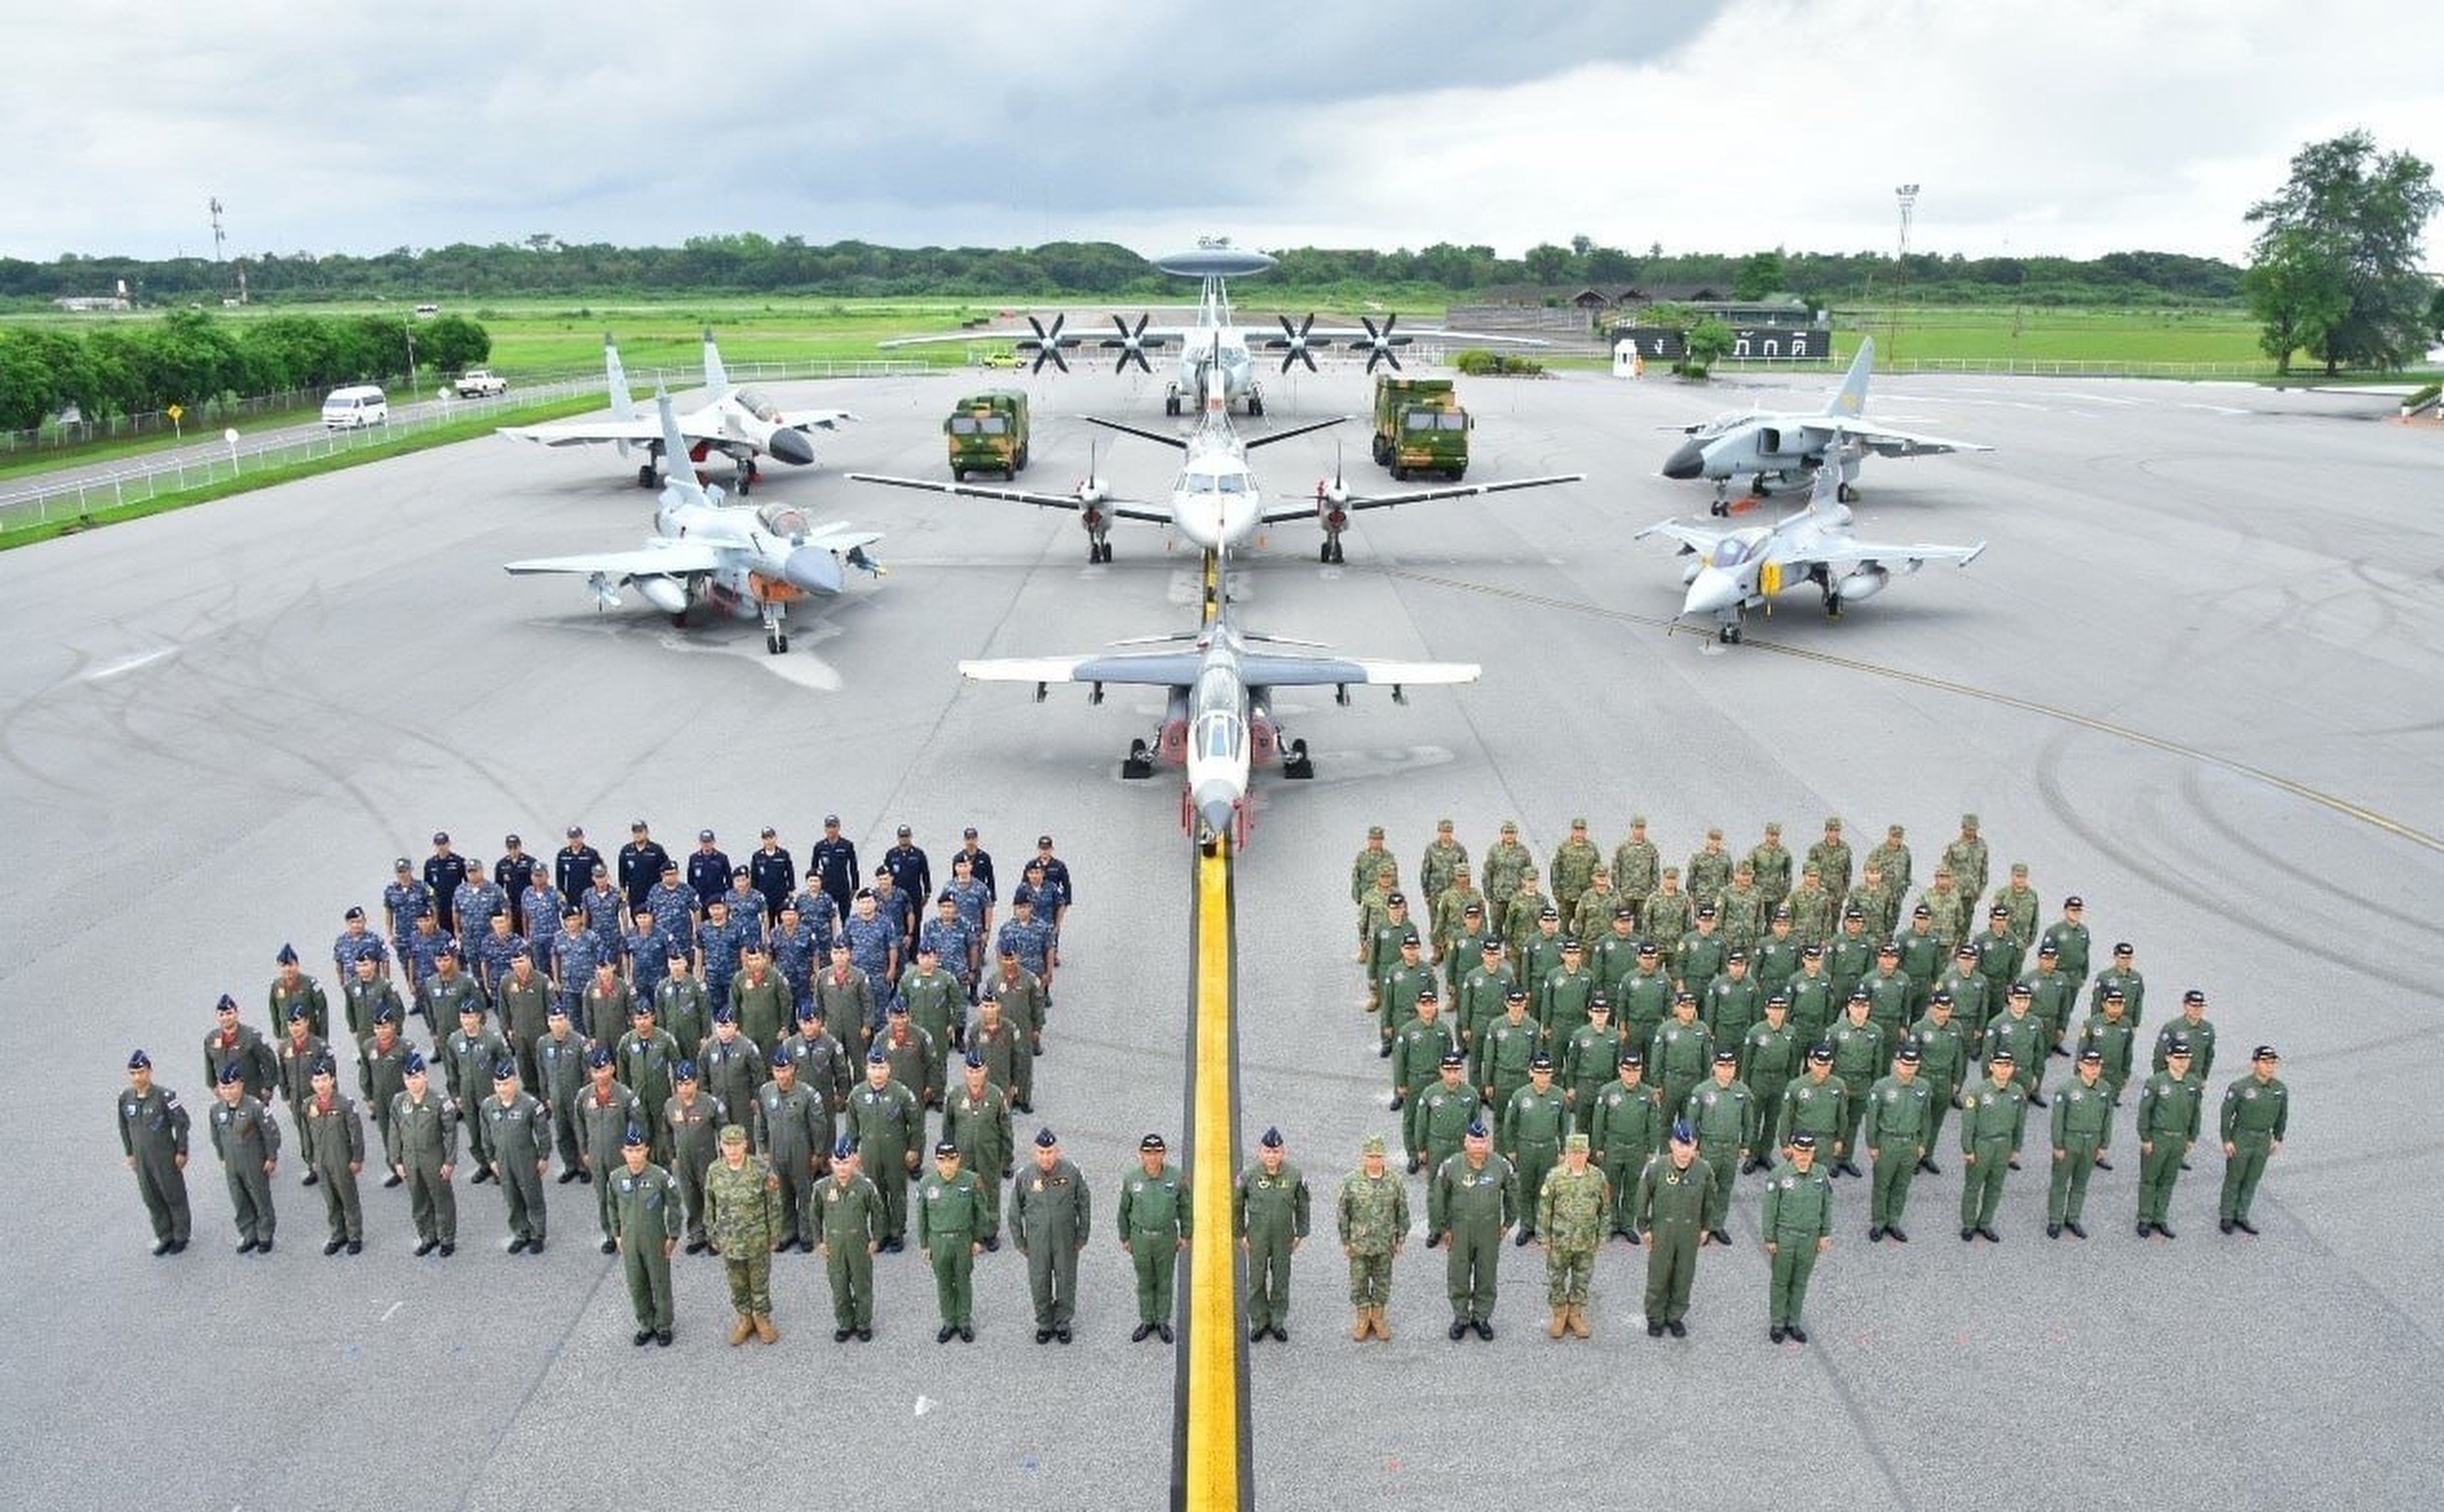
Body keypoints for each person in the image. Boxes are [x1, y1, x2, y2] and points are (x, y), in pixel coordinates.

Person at [1430, 1121, 1517, 1341]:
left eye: (1482, 1142)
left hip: (1489, 1229)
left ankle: (1481, 1317)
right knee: (1459, 1274)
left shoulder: (1501, 1166)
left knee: (1486, 1274)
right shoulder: (1451, 1166)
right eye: (1474, 1142)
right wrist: (1443, 1228)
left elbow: (1513, 1195)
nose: (1478, 1146)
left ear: (1488, 1143)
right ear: (1465, 1143)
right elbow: (1438, 1198)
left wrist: (1508, 1224)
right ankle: (1461, 1317)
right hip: (1460, 1229)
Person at [1632, 1121, 1714, 1338]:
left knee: (1683, 1275)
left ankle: (1675, 1316)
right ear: (1671, 1144)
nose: (1684, 1150)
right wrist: (1644, 1227)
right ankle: (1656, 1317)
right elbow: (1643, 1197)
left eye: (1689, 1145)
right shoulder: (1657, 1167)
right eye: (1680, 1144)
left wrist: (1706, 1228)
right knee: (1659, 1275)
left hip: (1689, 1231)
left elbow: (1709, 1201)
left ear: (1695, 1146)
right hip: (1663, 1229)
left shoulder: (1703, 1170)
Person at [703, 1125, 782, 1344]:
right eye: (728, 1145)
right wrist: (712, 1234)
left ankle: (762, 1318)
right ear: (721, 1146)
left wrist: (774, 1234)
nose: (733, 1149)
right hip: (729, 1239)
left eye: (737, 1144)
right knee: (737, 1282)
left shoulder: (761, 1169)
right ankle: (745, 1319)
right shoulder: (714, 1170)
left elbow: (773, 1204)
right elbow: (710, 1204)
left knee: (759, 1280)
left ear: (746, 1144)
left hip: (757, 1237)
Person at [1012, 1127, 1091, 1344]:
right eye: (1041, 1153)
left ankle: (1063, 1323)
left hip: (1066, 1239)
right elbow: (1014, 1211)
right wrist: (1020, 1241)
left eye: (1050, 1152)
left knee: (1066, 1280)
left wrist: (1083, 1235)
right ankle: (1045, 1323)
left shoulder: (1072, 1172)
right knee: (1039, 1281)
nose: (1046, 1158)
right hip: (1037, 1241)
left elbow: (1084, 1203)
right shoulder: (1025, 1176)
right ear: (1034, 1154)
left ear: (1058, 1152)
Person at [1234, 1126, 1309, 1343]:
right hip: (1257, 1236)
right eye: (1267, 1151)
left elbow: (1303, 1206)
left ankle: (1277, 1321)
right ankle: (1259, 1321)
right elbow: (1237, 1206)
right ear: (1260, 1152)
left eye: (1276, 1152)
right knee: (1256, 1280)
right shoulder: (1248, 1176)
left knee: (1281, 1280)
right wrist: (1240, 1234)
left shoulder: (1295, 1175)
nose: (1271, 1156)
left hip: (1283, 1237)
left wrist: (1300, 1233)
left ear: (1283, 1153)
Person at [610, 1124, 681, 1347]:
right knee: (636, 1283)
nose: (635, 1155)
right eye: (630, 1151)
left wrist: (673, 1235)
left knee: (660, 1282)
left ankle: (663, 1325)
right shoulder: (616, 1177)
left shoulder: (660, 1176)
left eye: (639, 1150)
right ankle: (645, 1324)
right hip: (629, 1240)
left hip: (655, 1238)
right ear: (624, 1152)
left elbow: (675, 1205)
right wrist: (616, 1234)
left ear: (646, 1151)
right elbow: (610, 1206)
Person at [1761, 1132, 1835, 1344]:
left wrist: (1825, 1234)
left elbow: (1827, 1206)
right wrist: (1770, 1238)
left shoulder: (1821, 1174)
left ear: (1813, 1152)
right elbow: (1769, 1209)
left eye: (1808, 1152)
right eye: (1800, 1151)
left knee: (1800, 1281)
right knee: (1781, 1281)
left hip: (1810, 1238)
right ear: (1792, 1150)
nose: (1804, 1156)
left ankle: (1793, 1321)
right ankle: (1777, 1323)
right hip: (1786, 1237)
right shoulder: (1779, 1175)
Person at [1118, 1133, 1190, 1344]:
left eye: (1157, 1152)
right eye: (1148, 1153)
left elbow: (1186, 1207)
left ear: (1164, 1154)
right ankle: (1147, 1320)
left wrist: (1187, 1235)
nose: (1152, 1157)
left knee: (1165, 1280)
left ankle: (1162, 1321)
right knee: (1145, 1281)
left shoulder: (1176, 1177)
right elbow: (1123, 1211)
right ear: (1141, 1155)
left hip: (1166, 1238)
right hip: (1140, 1238)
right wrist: (1125, 1237)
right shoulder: (1132, 1179)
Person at [1337, 1134, 1409, 1343]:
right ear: (1363, 1157)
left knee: (1382, 1282)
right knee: (1359, 1282)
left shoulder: (1394, 1181)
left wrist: (1401, 1238)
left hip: (1385, 1244)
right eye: (1370, 1156)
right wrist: (1346, 1241)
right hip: (1359, 1244)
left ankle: (1378, 1318)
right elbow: (1343, 1213)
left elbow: (1402, 1211)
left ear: (1384, 1158)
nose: (1375, 1161)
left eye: (1378, 1156)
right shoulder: (1351, 1182)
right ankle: (1362, 1318)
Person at [1537, 1133, 1609, 1340]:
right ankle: (1560, 1314)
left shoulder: (1598, 1177)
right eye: (1573, 1152)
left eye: (1581, 1152)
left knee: (1582, 1278)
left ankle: (1576, 1314)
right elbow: (1545, 1209)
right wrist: (1544, 1237)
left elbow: (1605, 1209)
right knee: (1556, 1278)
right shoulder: (1555, 1176)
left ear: (1588, 1153)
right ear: (1566, 1154)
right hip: (1560, 1240)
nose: (1577, 1156)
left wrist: (1602, 1235)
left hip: (1586, 1240)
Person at [119, 1050, 192, 1255]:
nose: (137, 1077)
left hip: (164, 1156)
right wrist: (130, 1153)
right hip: (142, 1160)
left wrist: (182, 1150)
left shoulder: (164, 1096)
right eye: (133, 1073)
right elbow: (124, 1127)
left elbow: (182, 1122)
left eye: (141, 1072)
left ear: (150, 1072)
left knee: (173, 1195)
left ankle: (181, 1235)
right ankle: (165, 1235)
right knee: (151, 1197)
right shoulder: (126, 1098)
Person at [205, 1059, 280, 1253]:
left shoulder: (255, 1106)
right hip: (231, 1162)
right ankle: (249, 1234)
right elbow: (216, 1136)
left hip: (253, 1160)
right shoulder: (216, 1110)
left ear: (241, 1085)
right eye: (224, 1088)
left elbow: (271, 1132)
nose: (228, 1092)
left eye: (231, 1087)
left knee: (259, 1197)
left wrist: (271, 1157)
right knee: (239, 1199)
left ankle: (265, 1234)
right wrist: (222, 1157)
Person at [817, 1136, 887, 1343]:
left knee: (862, 1284)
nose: (842, 1168)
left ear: (855, 1161)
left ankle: (863, 1323)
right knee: (839, 1286)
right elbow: (813, 1215)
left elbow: (878, 1212)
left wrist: (876, 1238)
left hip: (859, 1243)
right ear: (831, 1163)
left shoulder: (866, 1186)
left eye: (846, 1162)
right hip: (835, 1244)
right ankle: (845, 1324)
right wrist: (818, 1241)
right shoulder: (821, 1188)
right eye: (837, 1163)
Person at [1862, 1042, 1933, 1242]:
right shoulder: (1882, 1087)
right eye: (1904, 1063)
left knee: (1902, 1185)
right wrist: (1873, 1145)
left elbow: (1926, 1119)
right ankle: (1878, 1222)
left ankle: (1893, 1221)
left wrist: (1922, 1144)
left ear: (1918, 1065)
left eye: (1912, 1064)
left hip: (1910, 1143)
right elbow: (1872, 1119)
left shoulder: (1923, 1087)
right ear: (1896, 1063)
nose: (1908, 1068)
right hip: (1888, 1142)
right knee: (1882, 1185)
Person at [915, 1140, 986, 1342]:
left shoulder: (971, 1180)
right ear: (936, 1162)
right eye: (942, 1160)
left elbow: (980, 1211)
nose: (947, 1165)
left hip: (963, 1239)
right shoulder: (927, 1184)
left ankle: (964, 1322)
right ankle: (948, 1322)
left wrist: (978, 1239)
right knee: (944, 1283)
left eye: (952, 1160)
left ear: (959, 1159)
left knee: (963, 1281)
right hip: (938, 1240)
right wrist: (925, 1244)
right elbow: (922, 1217)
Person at [755, 1049, 825, 1252]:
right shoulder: (766, 1092)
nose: (783, 1075)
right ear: (773, 1072)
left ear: (793, 1069)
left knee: (804, 1193)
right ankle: (787, 1232)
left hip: (801, 1151)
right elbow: (761, 1122)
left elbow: (819, 1125)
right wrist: (764, 1148)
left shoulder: (808, 1094)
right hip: (776, 1151)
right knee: (782, 1194)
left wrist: (818, 1152)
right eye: (778, 1070)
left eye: (786, 1070)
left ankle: (807, 1233)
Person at [2218, 1045, 2290, 1235]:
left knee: (2252, 1178)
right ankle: (2227, 1215)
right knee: (2235, 1177)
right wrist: (2227, 1139)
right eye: (2265, 1062)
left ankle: (2241, 1215)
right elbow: (2227, 1115)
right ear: (2254, 1064)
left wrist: (2278, 1137)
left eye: (2273, 1063)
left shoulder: (2279, 1089)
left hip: (2263, 1138)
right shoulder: (2240, 1087)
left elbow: (2283, 1115)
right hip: (2242, 1136)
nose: (2270, 1067)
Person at [2135, 1038, 2202, 1238]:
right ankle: (2145, 1218)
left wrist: (2192, 1137)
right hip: (2158, 1137)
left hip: (2179, 1139)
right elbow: (2145, 1112)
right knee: (2150, 1179)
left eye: (2186, 1058)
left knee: (2168, 1180)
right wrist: (2145, 1138)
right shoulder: (2156, 1082)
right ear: (2168, 1058)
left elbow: (2196, 1113)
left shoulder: (2192, 1084)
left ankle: (2160, 1217)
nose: (2182, 1062)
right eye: (2178, 1057)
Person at [299, 1055, 366, 1255]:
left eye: (324, 1079)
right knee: (330, 1199)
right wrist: (310, 1159)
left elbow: (356, 1133)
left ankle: (355, 1235)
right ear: (312, 1082)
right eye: (317, 1080)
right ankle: (338, 1234)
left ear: (332, 1080)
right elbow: (306, 1133)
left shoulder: (345, 1104)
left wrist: (357, 1158)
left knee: (348, 1198)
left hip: (341, 1158)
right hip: (321, 1159)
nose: (321, 1084)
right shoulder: (308, 1105)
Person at [1958, 1050, 2027, 1243]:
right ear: (1991, 1067)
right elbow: (1968, 1124)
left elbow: (2020, 1123)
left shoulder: (2018, 1092)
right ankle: (1969, 1224)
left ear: (2013, 1068)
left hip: (2004, 1145)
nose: (2004, 1070)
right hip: (1982, 1144)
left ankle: (1985, 1222)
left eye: (2008, 1066)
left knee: (1995, 1187)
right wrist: (1968, 1149)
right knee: (1973, 1186)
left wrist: (2016, 1149)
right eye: (1999, 1065)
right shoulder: (1978, 1092)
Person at [2046, 1048, 2115, 1239]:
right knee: (2060, 1182)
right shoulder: (2067, 1089)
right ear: (2080, 1065)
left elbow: (2108, 1118)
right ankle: (2055, 1220)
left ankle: (2073, 1218)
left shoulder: (2105, 1089)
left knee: (2081, 1183)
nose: (2094, 1069)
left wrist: (2104, 1145)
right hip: (2070, 1141)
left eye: (2097, 1065)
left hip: (2092, 1141)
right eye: (2090, 1065)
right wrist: (2058, 1145)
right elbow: (2058, 1120)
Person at [482, 1062, 549, 1254]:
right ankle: (521, 1232)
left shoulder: (530, 1104)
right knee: (512, 1198)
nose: (502, 1089)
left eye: (506, 1084)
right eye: (498, 1085)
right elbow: (486, 1135)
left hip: (526, 1158)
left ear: (515, 1082)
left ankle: (538, 1234)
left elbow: (543, 1133)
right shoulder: (488, 1106)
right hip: (502, 1160)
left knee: (532, 1196)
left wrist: (544, 1157)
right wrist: (491, 1160)